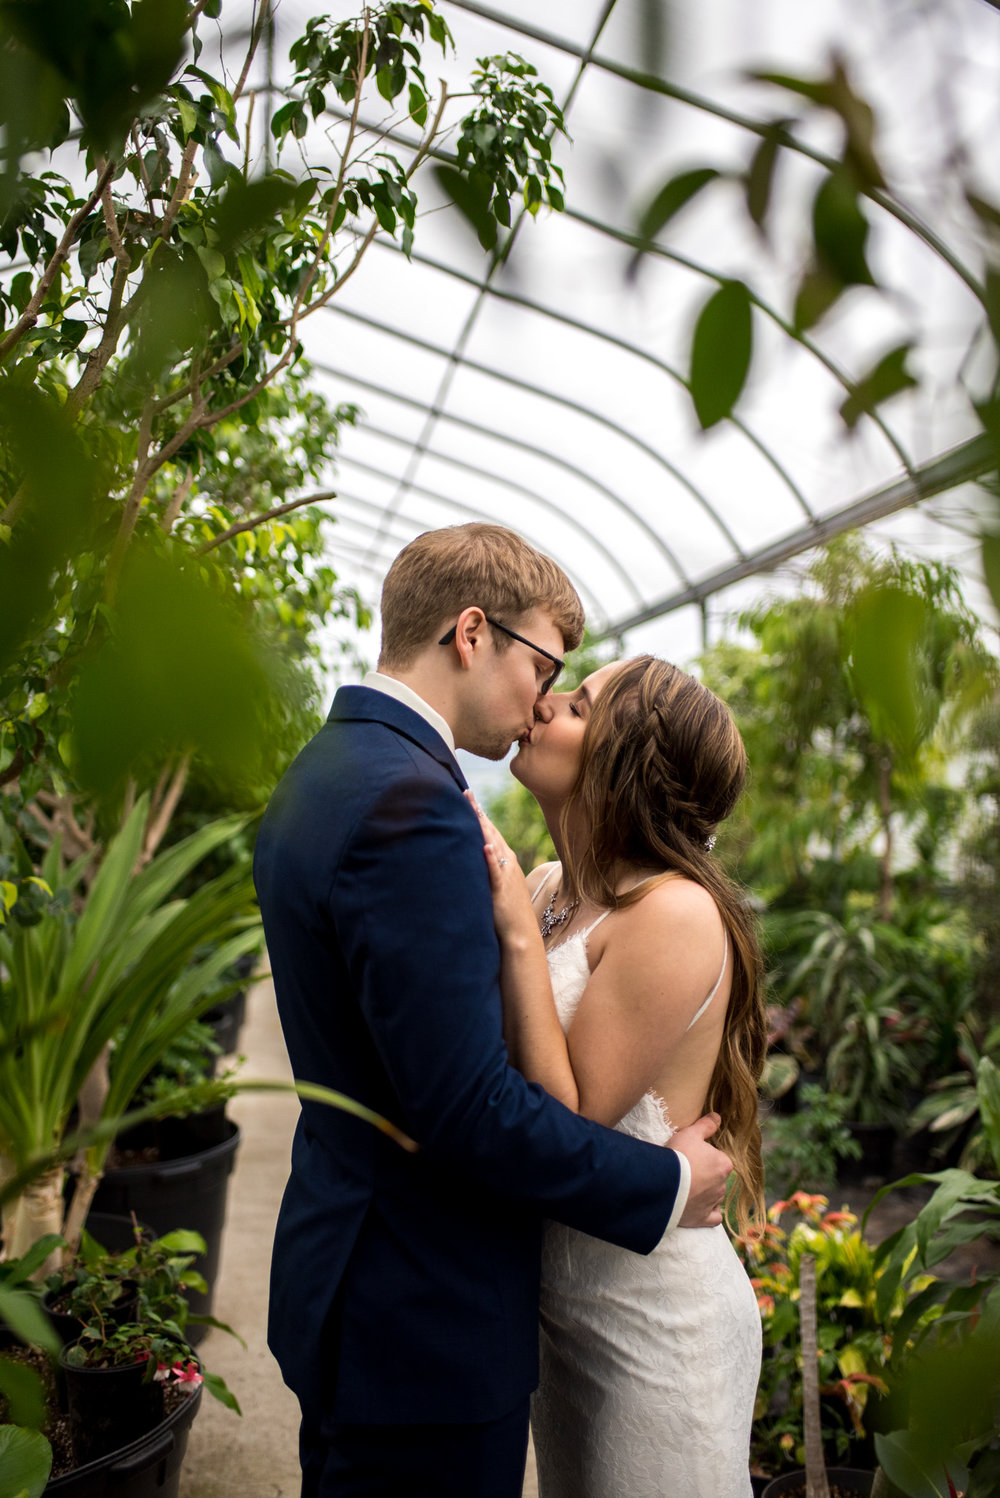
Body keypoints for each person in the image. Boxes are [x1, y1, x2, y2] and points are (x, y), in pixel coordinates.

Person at [253, 524, 734, 1498]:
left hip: (392, 1285)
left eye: (572, 691)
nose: (542, 700)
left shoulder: (331, 769)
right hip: (420, 1311)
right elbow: (468, 1109)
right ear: (472, 633)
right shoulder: (415, 806)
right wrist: (662, 1184)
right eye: (547, 664)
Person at [470, 654, 766, 1498]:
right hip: (565, 1316)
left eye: (580, 702)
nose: (545, 700)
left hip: (655, 1324)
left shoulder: (673, 910)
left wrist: (518, 937)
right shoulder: (547, 886)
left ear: (624, 756)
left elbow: (568, 1116)